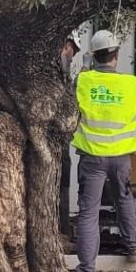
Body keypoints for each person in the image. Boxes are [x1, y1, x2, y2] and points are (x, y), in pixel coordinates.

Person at [73, 29, 136, 272]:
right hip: (121, 159)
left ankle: (86, 267)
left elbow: (80, 78)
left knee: (88, 212)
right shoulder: (131, 84)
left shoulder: (83, 80)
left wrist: (84, 65)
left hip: (92, 157)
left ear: (94, 56)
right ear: (116, 55)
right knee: (124, 199)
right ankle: (134, 247)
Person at [57, 37, 81, 240]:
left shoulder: (63, 75)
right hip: (57, 142)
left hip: (61, 142)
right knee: (61, 183)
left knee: (62, 182)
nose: (72, 59)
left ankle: (63, 229)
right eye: (72, 53)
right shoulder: (56, 73)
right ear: (67, 46)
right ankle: (61, 230)